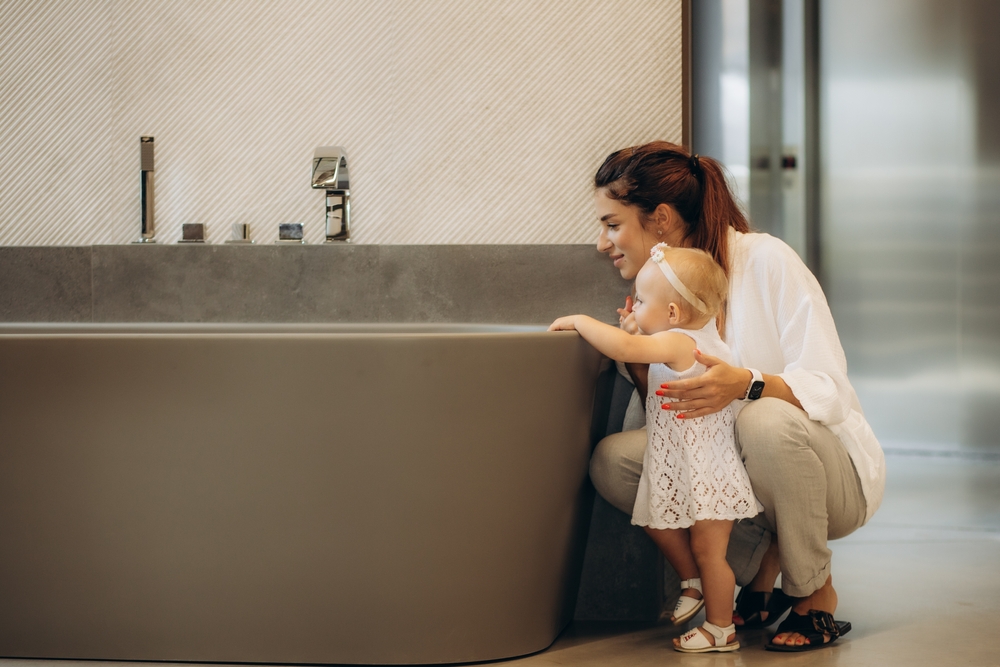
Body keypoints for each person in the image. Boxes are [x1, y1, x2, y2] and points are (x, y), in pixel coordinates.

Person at [586, 142, 885, 652]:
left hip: (831, 479)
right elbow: (666, 425)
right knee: (616, 460)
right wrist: (640, 364)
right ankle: (740, 575)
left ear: (659, 219)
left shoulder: (766, 260)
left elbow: (830, 389)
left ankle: (815, 591)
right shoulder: (658, 296)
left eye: (612, 224)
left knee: (762, 420)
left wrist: (745, 382)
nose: (602, 242)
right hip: (734, 471)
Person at [550, 244, 760, 653]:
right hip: (678, 461)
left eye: (643, 300)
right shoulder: (683, 338)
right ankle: (693, 582)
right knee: (654, 519)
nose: (635, 306)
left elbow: (627, 351)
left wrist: (581, 320)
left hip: (706, 469)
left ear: (673, 315)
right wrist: (638, 326)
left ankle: (721, 628)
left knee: (709, 551)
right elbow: (645, 366)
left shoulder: (685, 344)